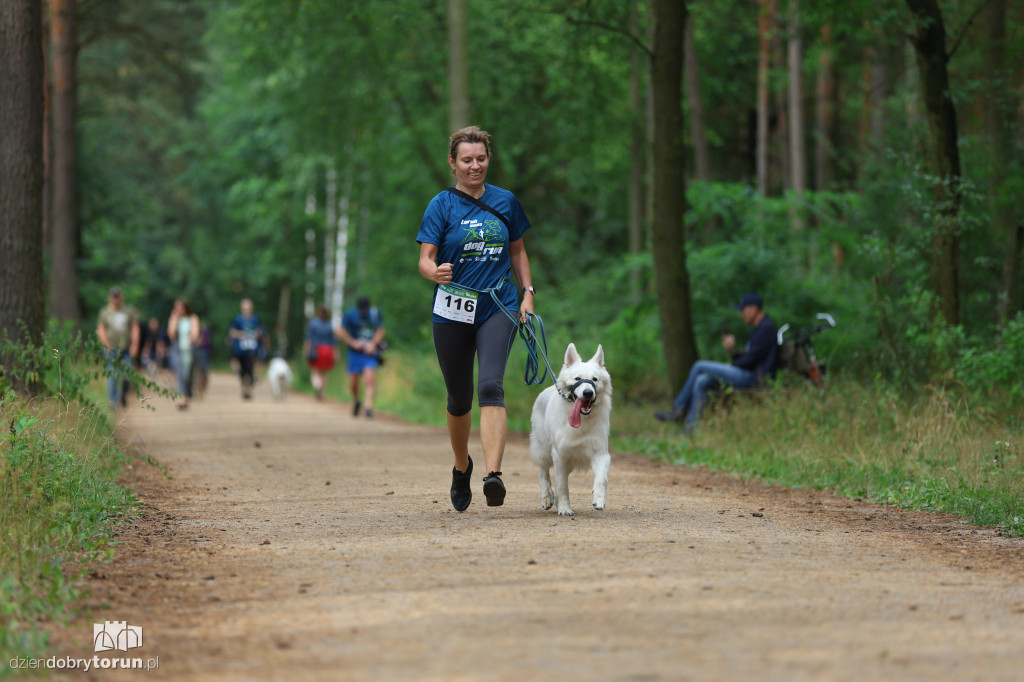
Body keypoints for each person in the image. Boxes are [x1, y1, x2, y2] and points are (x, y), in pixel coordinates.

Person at [416, 125, 535, 511]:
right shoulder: (441, 205)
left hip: (497, 307)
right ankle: (461, 465)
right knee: (459, 398)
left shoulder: (505, 201)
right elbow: (425, 258)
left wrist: (527, 293)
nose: (475, 166)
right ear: (453, 163)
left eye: (481, 159)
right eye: (466, 160)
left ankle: (493, 475)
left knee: (491, 387)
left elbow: (517, 251)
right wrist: (433, 272)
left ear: (488, 160)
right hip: (451, 310)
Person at [655, 293, 779, 432]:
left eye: (742, 310)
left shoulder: (766, 328)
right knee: (702, 380)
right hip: (748, 374)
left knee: (699, 365)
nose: (741, 315)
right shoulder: (760, 329)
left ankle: (678, 411)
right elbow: (752, 356)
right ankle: (690, 428)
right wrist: (732, 351)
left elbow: (751, 360)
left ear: (753, 309)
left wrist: (732, 365)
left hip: (754, 379)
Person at [336, 296, 386, 418]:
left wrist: (373, 344)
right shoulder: (350, 314)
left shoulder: (375, 313)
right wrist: (352, 342)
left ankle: (368, 407)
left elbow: (380, 330)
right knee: (354, 382)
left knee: (369, 379)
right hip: (354, 352)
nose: (363, 312)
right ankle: (357, 401)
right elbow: (339, 330)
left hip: (369, 353)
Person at [96, 286, 140, 409]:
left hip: (126, 349)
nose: (116, 299)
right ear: (110, 297)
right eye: (113, 296)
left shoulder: (128, 311)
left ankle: (122, 395)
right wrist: (106, 344)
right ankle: (112, 402)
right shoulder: (105, 312)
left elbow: (135, 328)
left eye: (118, 296)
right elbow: (101, 329)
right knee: (113, 375)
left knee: (127, 375)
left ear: (121, 297)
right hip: (111, 349)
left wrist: (135, 344)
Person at [227, 299, 266, 400]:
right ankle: (244, 387)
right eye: (245, 308)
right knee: (242, 370)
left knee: (250, 368)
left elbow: (261, 331)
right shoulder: (238, 319)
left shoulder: (256, 319)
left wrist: (257, 335)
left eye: (248, 308)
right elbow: (232, 332)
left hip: (252, 348)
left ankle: (248, 389)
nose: (246, 310)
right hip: (240, 349)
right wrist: (241, 335)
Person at [167, 298, 201, 410]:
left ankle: (187, 394)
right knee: (180, 372)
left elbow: (195, 333)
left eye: (179, 307)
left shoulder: (193, 318)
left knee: (187, 373)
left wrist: (192, 338)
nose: (177, 309)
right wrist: (175, 319)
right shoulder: (174, 318)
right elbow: (171, 334)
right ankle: (183, 397)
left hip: (189, 349)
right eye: (175, 307)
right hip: (177, 349)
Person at [304, 305, 338, 401]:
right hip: (328, 350)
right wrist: (336, 352)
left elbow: (308, 338)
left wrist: (306, 349)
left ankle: (317, 386)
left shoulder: (313, 323)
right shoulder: (330, 324)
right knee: (324, 372)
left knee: (315, 371)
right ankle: (322, 391)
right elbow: (334, 340)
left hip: (316, 349)